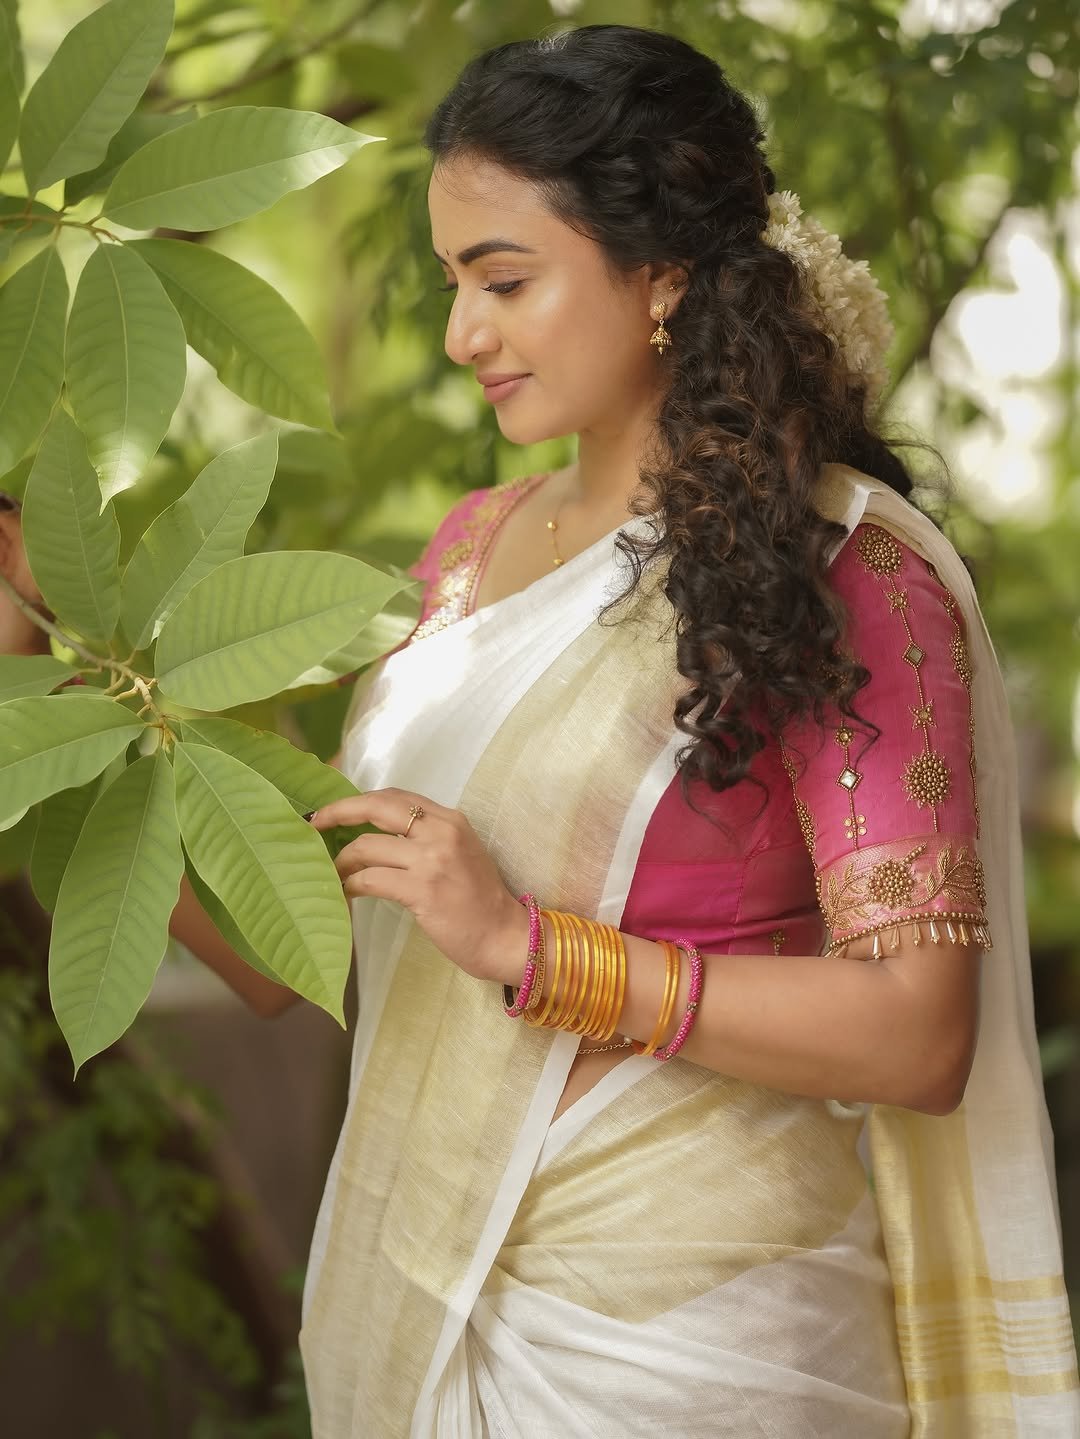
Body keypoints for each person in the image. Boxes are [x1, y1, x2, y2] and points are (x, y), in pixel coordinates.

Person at [2, 23, 1075, 1438]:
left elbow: (915, 1034)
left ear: (666, 275)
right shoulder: (473, 551)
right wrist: (49, 694)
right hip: (422, 1310)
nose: (462, 334)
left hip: (697, 1344)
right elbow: (297, 952)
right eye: (456, 283)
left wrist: (531, 949)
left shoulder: (849, 577)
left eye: (503, 281)